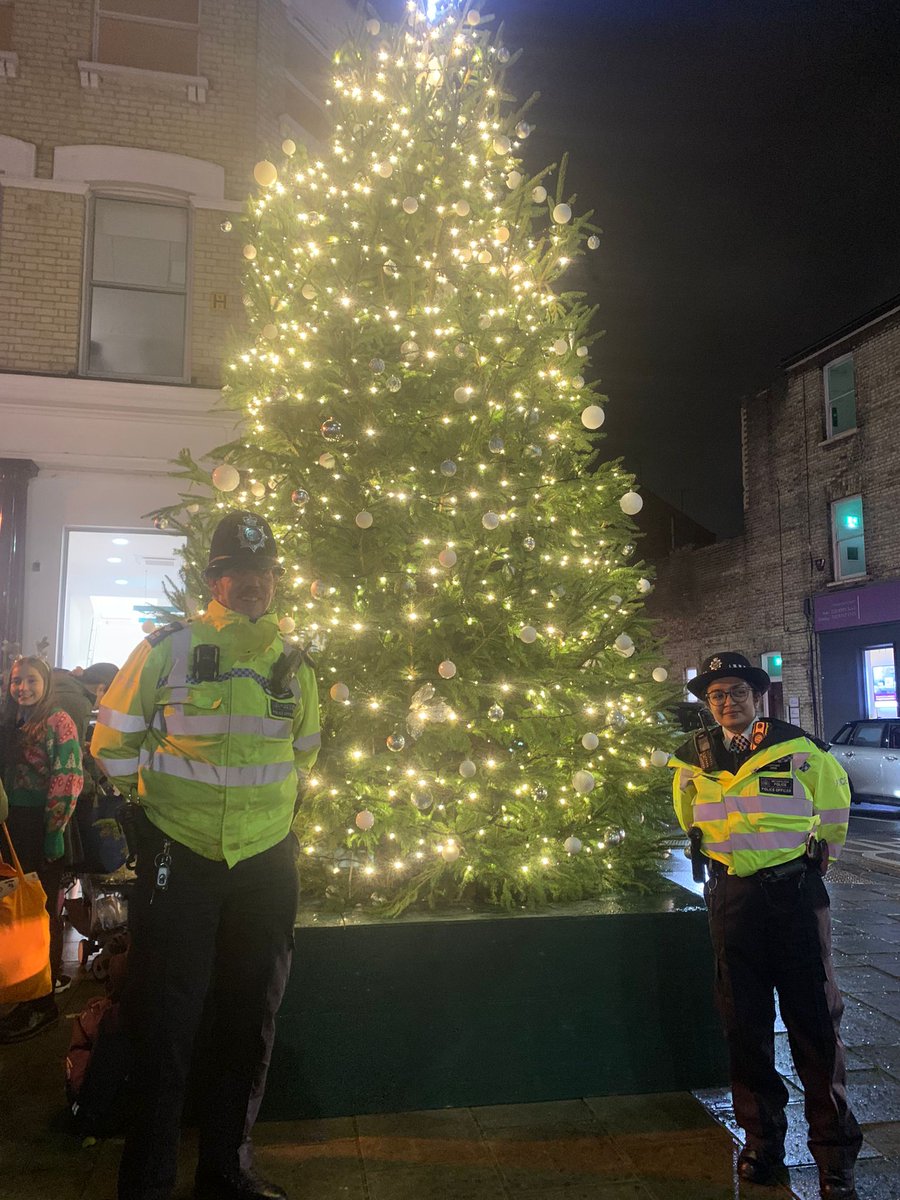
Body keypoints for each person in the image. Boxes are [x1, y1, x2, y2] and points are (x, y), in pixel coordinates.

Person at [91, 511, 320, 1200]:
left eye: (262, 573)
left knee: (250, 1020)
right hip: (181, 863)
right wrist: (157, 818)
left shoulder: (294, 662)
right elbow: (111, 745)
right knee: (166, 1026)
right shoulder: (168, 647)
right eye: (236, 572)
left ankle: (226, 1169)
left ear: (275, 581)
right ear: (214, 579)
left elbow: (304, 752)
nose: (251, 583)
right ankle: (149, 1183)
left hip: (265, 865)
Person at [669, 652, 862, 1200]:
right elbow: (689, 817)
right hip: (731, 899)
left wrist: (821, 854)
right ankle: (762, 1141)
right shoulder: (694, 758)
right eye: (716, 696)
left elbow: (835, 803)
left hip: (795, 898)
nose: (726, 703)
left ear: (758, 696)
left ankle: (833, 1156)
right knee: (744, 1026)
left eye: (735, 692)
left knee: (816, 1026)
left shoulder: (799, 749)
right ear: (709, 705)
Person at [0, 655, 84, 1041]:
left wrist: (55, 829)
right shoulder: (12, 719)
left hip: (40, 828)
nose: (23, 688)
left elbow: (67, 776)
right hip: (11, 827)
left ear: (45, 683)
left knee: (41, 914)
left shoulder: (57, 721)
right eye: (17, 681)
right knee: (16, 912)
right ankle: (24, 991)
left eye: (31, 680)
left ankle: (43, 1002)